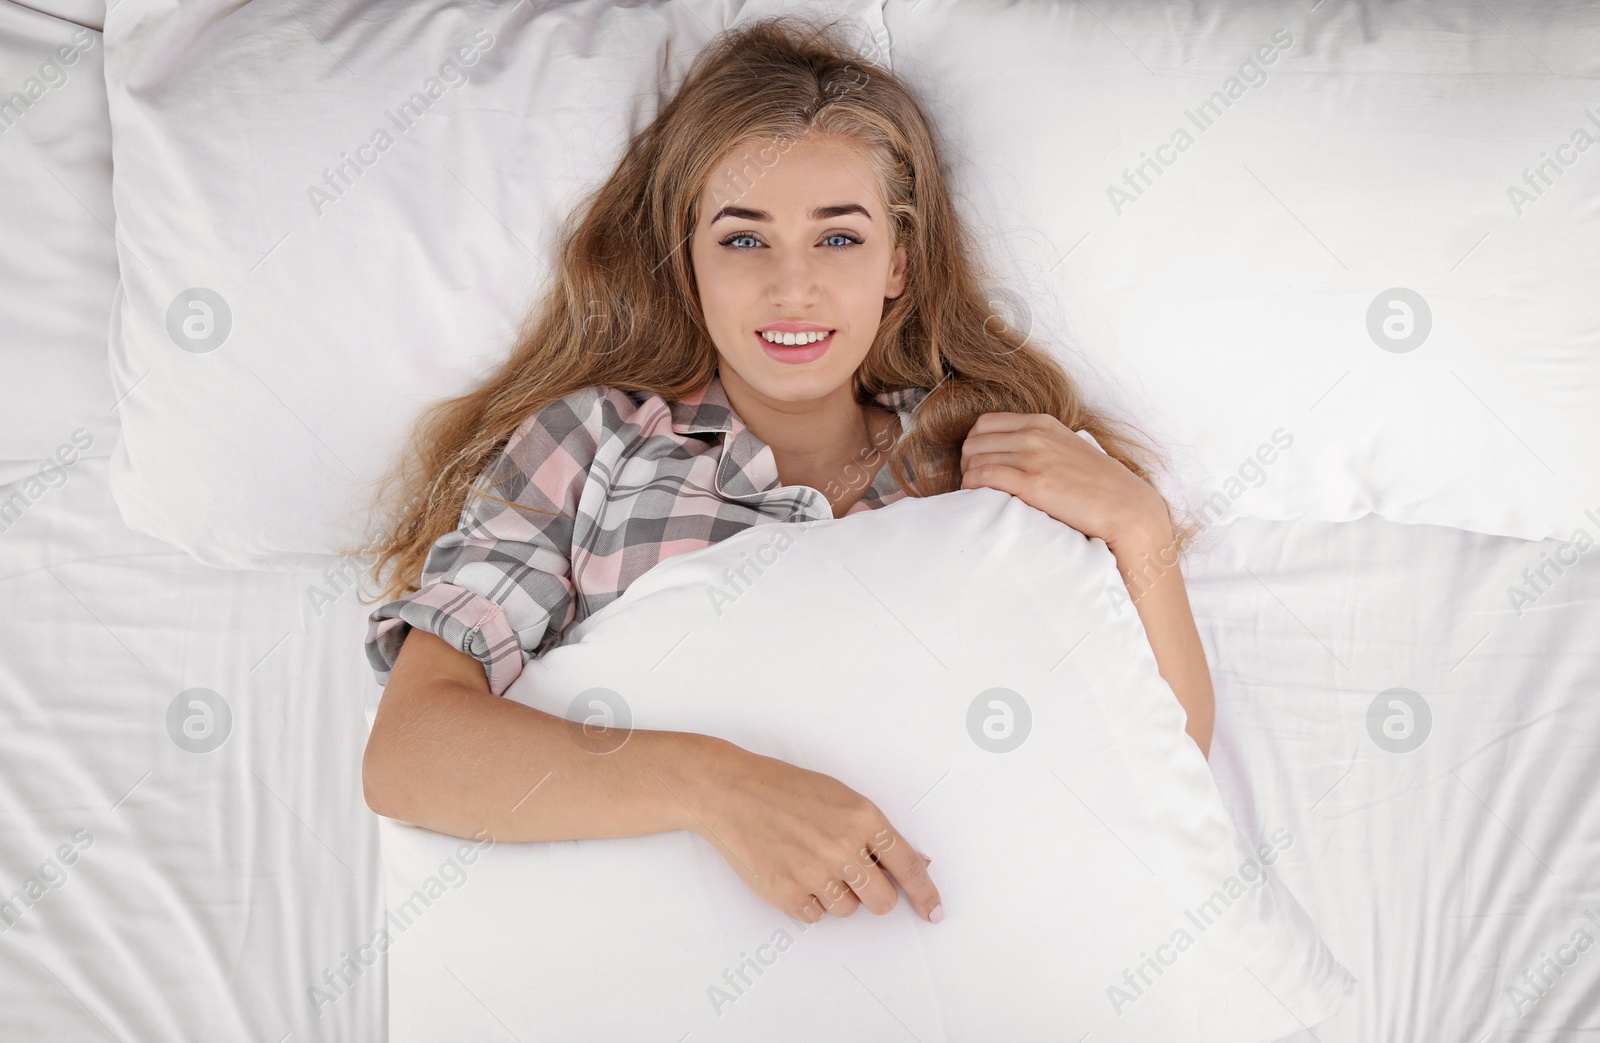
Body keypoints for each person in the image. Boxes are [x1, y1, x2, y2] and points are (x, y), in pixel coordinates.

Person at [354, 14, 1211, 932]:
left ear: (901, 266)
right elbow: (409, 753)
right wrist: (721, 787)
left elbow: (1157, 762)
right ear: (688, 263)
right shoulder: (592, 441)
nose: (792, 287)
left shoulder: (987, 461)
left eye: (839, 239)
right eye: (743, 239)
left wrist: (1140, 530)